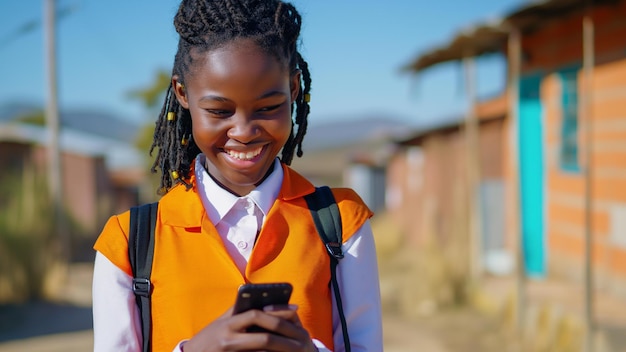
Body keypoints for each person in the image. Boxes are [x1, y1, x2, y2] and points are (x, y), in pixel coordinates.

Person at [92, 0, 383, 351]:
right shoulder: (128, 243)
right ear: (183, 93)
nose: (243, 131)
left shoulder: (340, 224)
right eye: (219, 111)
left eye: (268, 108)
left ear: (293, 89)